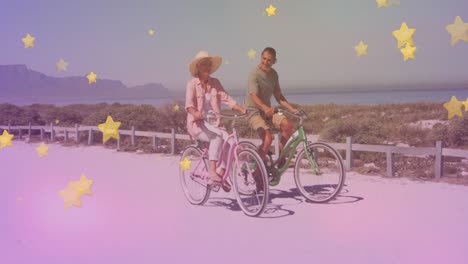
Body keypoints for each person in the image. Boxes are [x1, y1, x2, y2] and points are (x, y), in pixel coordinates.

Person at [185, 51, 245, 192]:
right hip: (197, 124)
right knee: (217, 137)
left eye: (209, 65)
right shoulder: (192, 84)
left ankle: (220, 175)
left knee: (231, 145)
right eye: (204, 64)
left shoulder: (215, 83)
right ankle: (212, 171)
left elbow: (227, 99)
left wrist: (242, 110)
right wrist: (195, 113)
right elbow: (188, 105)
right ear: (198, 67)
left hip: (215, 124)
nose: (207, 67)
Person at [244, 47, 298, 169]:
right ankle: (257, 171)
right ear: (260, 57)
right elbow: (253, 96)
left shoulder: (274, 74)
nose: (265, 62)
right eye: (263, 58)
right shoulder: (254, 74)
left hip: (268, 110)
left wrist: (291, 109)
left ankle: (281, 159)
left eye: (269, 60)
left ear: (274, 61)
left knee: (287, 126)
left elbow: (278, 95)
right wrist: (264, 107)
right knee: (268, 139)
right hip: (253, 111)